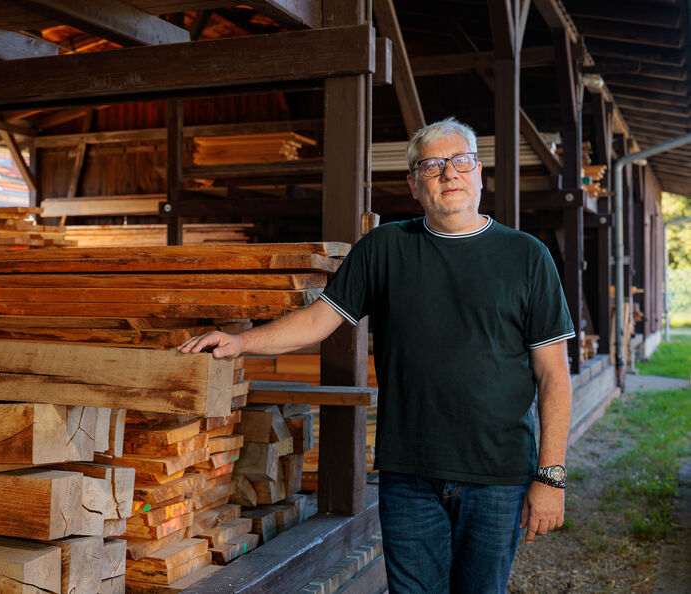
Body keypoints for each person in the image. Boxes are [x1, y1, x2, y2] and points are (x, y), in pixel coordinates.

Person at [178, 117, 574, 593]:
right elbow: (318, 321)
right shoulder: (384, 249)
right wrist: (241, 342)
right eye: (433, 166)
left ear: (479, 173)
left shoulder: (527, 256)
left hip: (497, 475)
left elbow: (553, 375)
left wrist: (550, 477)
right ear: (413, 184)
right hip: (409, 475)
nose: (450, 174)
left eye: (461, 162)